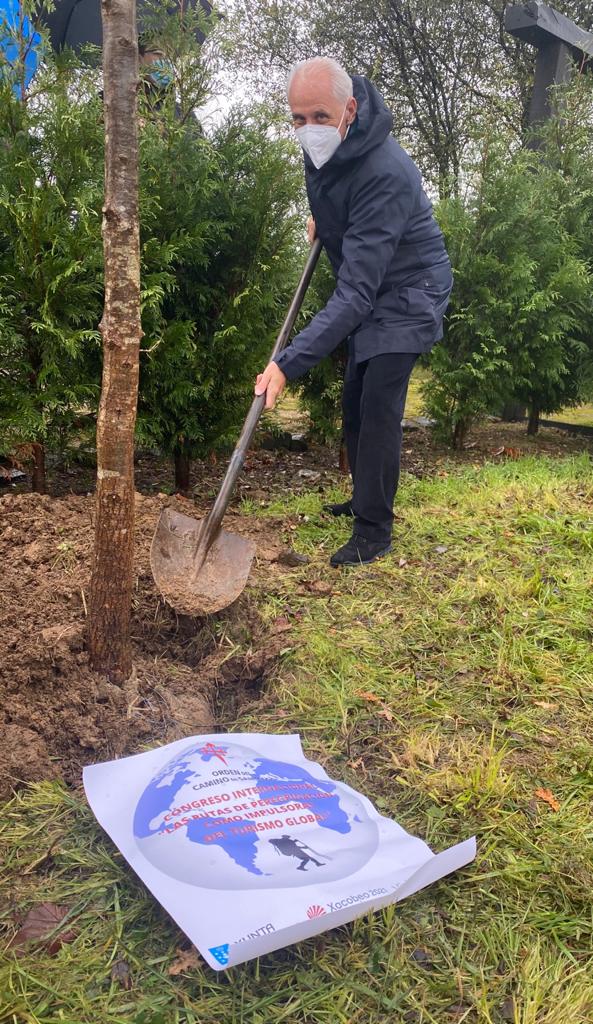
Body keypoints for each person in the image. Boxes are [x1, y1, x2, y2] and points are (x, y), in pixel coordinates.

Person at [254, 56, 453, 567]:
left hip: (410, 290)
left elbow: (356, 293)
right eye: (297, 119)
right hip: (374, 284)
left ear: (350, 108)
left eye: (319, 117)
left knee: (379, 404)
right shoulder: (328, 148)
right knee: (354, 401)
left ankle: (374, 531)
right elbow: (335, 201)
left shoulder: (384, 169)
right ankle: (363, 497)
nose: (308, 130)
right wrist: (326, 223)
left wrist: (287, 363)